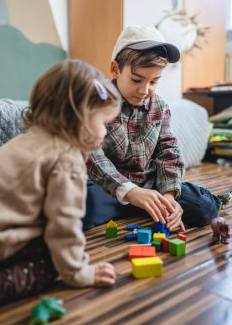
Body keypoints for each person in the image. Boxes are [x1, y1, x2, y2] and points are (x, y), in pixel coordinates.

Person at [0, 59, 121, 309]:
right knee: (51, 263)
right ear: (79, 118)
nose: (106, 133)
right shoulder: (66, 159)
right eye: (104, 123)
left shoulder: (26, 140)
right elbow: (63, 227)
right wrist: (78, 272)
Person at [85, 25, 221, 231]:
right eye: (136, 80)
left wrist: (168, 198)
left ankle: (147, 206)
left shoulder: (159, 106)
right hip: (107, 187)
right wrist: (129, 192)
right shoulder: (96, 102)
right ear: (115, 69)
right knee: (80, 207)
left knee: (204, 207)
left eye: (154, 81)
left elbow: (168, 151)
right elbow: (92, 156)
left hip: (149, 185)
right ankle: (136, 206)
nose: (144, 90)